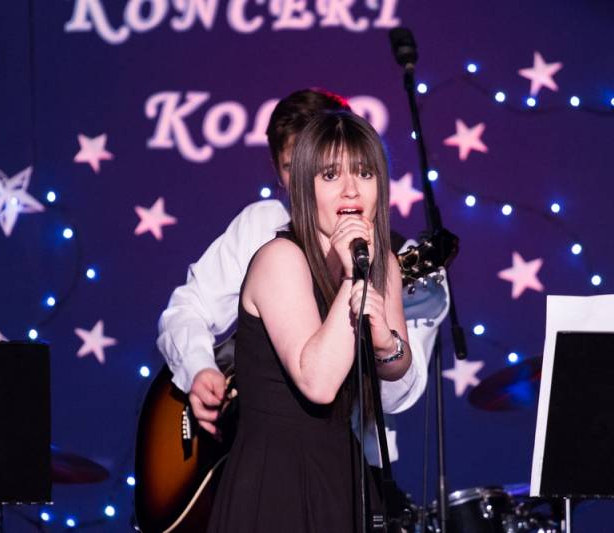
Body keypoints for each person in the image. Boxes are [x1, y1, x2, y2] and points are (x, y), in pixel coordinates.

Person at [156, 88, 448, 466]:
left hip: (358, 460)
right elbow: (188, 308)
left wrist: (382, 340)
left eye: (329, 170)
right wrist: (199, 367)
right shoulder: (263, 227)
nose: (304, 184)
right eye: (292, 168)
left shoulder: (393, 258)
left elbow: (398, 395)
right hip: (260, 454)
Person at [207, 110, 404, 532]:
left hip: (343, 470)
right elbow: (318, 383)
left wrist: (387, 344)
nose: (351, 189)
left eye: (365, 173)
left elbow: (396, 365)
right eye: (331, 175)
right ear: (303, 187)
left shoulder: (382, 260)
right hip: (274, 479)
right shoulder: (280, 259)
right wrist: (353, 277)